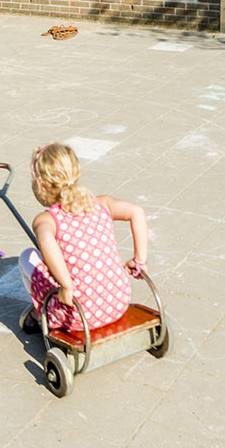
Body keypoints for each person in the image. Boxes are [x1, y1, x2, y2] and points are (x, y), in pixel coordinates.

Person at [21, 142, 147, 336]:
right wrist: (140, 261)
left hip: (78, 315)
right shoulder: (102, 203)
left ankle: (41, 314)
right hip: (118, 301)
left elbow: (46, 240)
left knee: (27, 256)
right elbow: (136, 212)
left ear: (42, 185)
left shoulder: (46, 220)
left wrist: (66, 285)